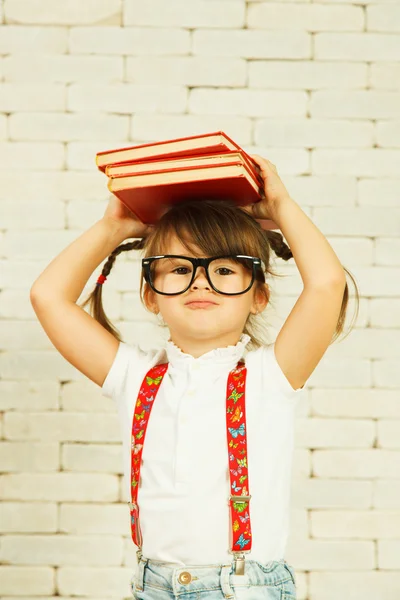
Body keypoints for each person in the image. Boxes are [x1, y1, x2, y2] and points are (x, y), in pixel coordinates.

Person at [30, 154, 360, 600]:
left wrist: (281, 207)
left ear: (258, 295)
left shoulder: (272, 375)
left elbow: (325, 284)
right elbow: (48, 297)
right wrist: (114, 228)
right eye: (180, 268)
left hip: (242, 589)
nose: (200, 282)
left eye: (224, 269)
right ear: (150, 295)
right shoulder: (135, 376)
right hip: (152, 586)